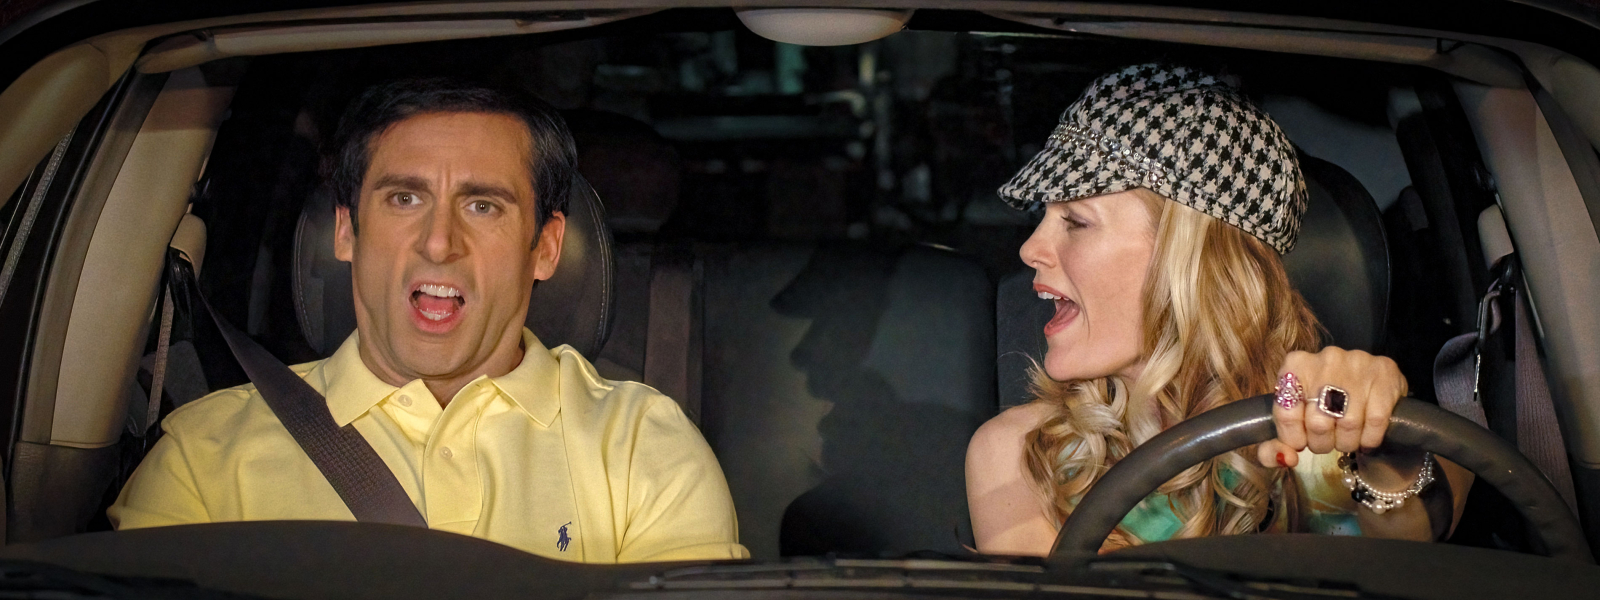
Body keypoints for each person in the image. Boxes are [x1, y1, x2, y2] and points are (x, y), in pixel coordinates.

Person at [109, 79, 749, 563]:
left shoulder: (643, 449)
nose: (439, 243)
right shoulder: (206, 456)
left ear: (546, 247)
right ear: (346, 230)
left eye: (483, 206)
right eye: (405, 198)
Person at [965, 64, 1472, 555]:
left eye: (1076, 221)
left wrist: (1382, 439)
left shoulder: (1321, 418)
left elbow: (1428, 525)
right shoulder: (1024, 454)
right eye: (1043, 218)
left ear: (1191, 262)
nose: (1030, 249)